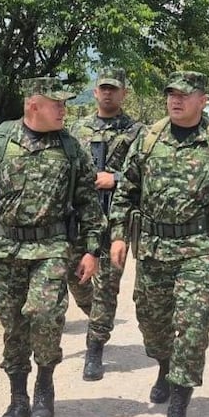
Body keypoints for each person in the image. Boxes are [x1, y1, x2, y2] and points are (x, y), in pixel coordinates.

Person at [0, 76, 103, 417]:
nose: (64, 109)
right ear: (34, 105)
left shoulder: (70, 148)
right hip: (7, 250)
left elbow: (88, 205)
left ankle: (45, 385)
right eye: (57, 104)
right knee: (13, 325)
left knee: (46, 314)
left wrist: (92, 250)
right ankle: (18, 398)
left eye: (65, 104)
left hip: (52, 249)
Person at [109, 71, 209, 417]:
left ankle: (179, 404)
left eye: (185, 95)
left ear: (203, 99)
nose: (176, 100)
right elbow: (126, 191)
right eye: (171, 94)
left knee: (192, 329)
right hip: (154, 247)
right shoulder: (148, 139)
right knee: (153, 325)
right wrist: (117, 236)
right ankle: (164, 365)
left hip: (199, 249)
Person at [66, 67, 144, 381]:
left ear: (124, 93)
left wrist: (117, 178)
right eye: (103, 89)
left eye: (114, 89)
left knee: (106, 288)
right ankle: (95, 319)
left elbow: (147, 174)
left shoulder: (138, 132)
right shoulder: (77, 128)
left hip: (116, 222)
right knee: (77, 279)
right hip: (81, 219)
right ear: (95, 92)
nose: (108, 93)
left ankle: (95, 348)